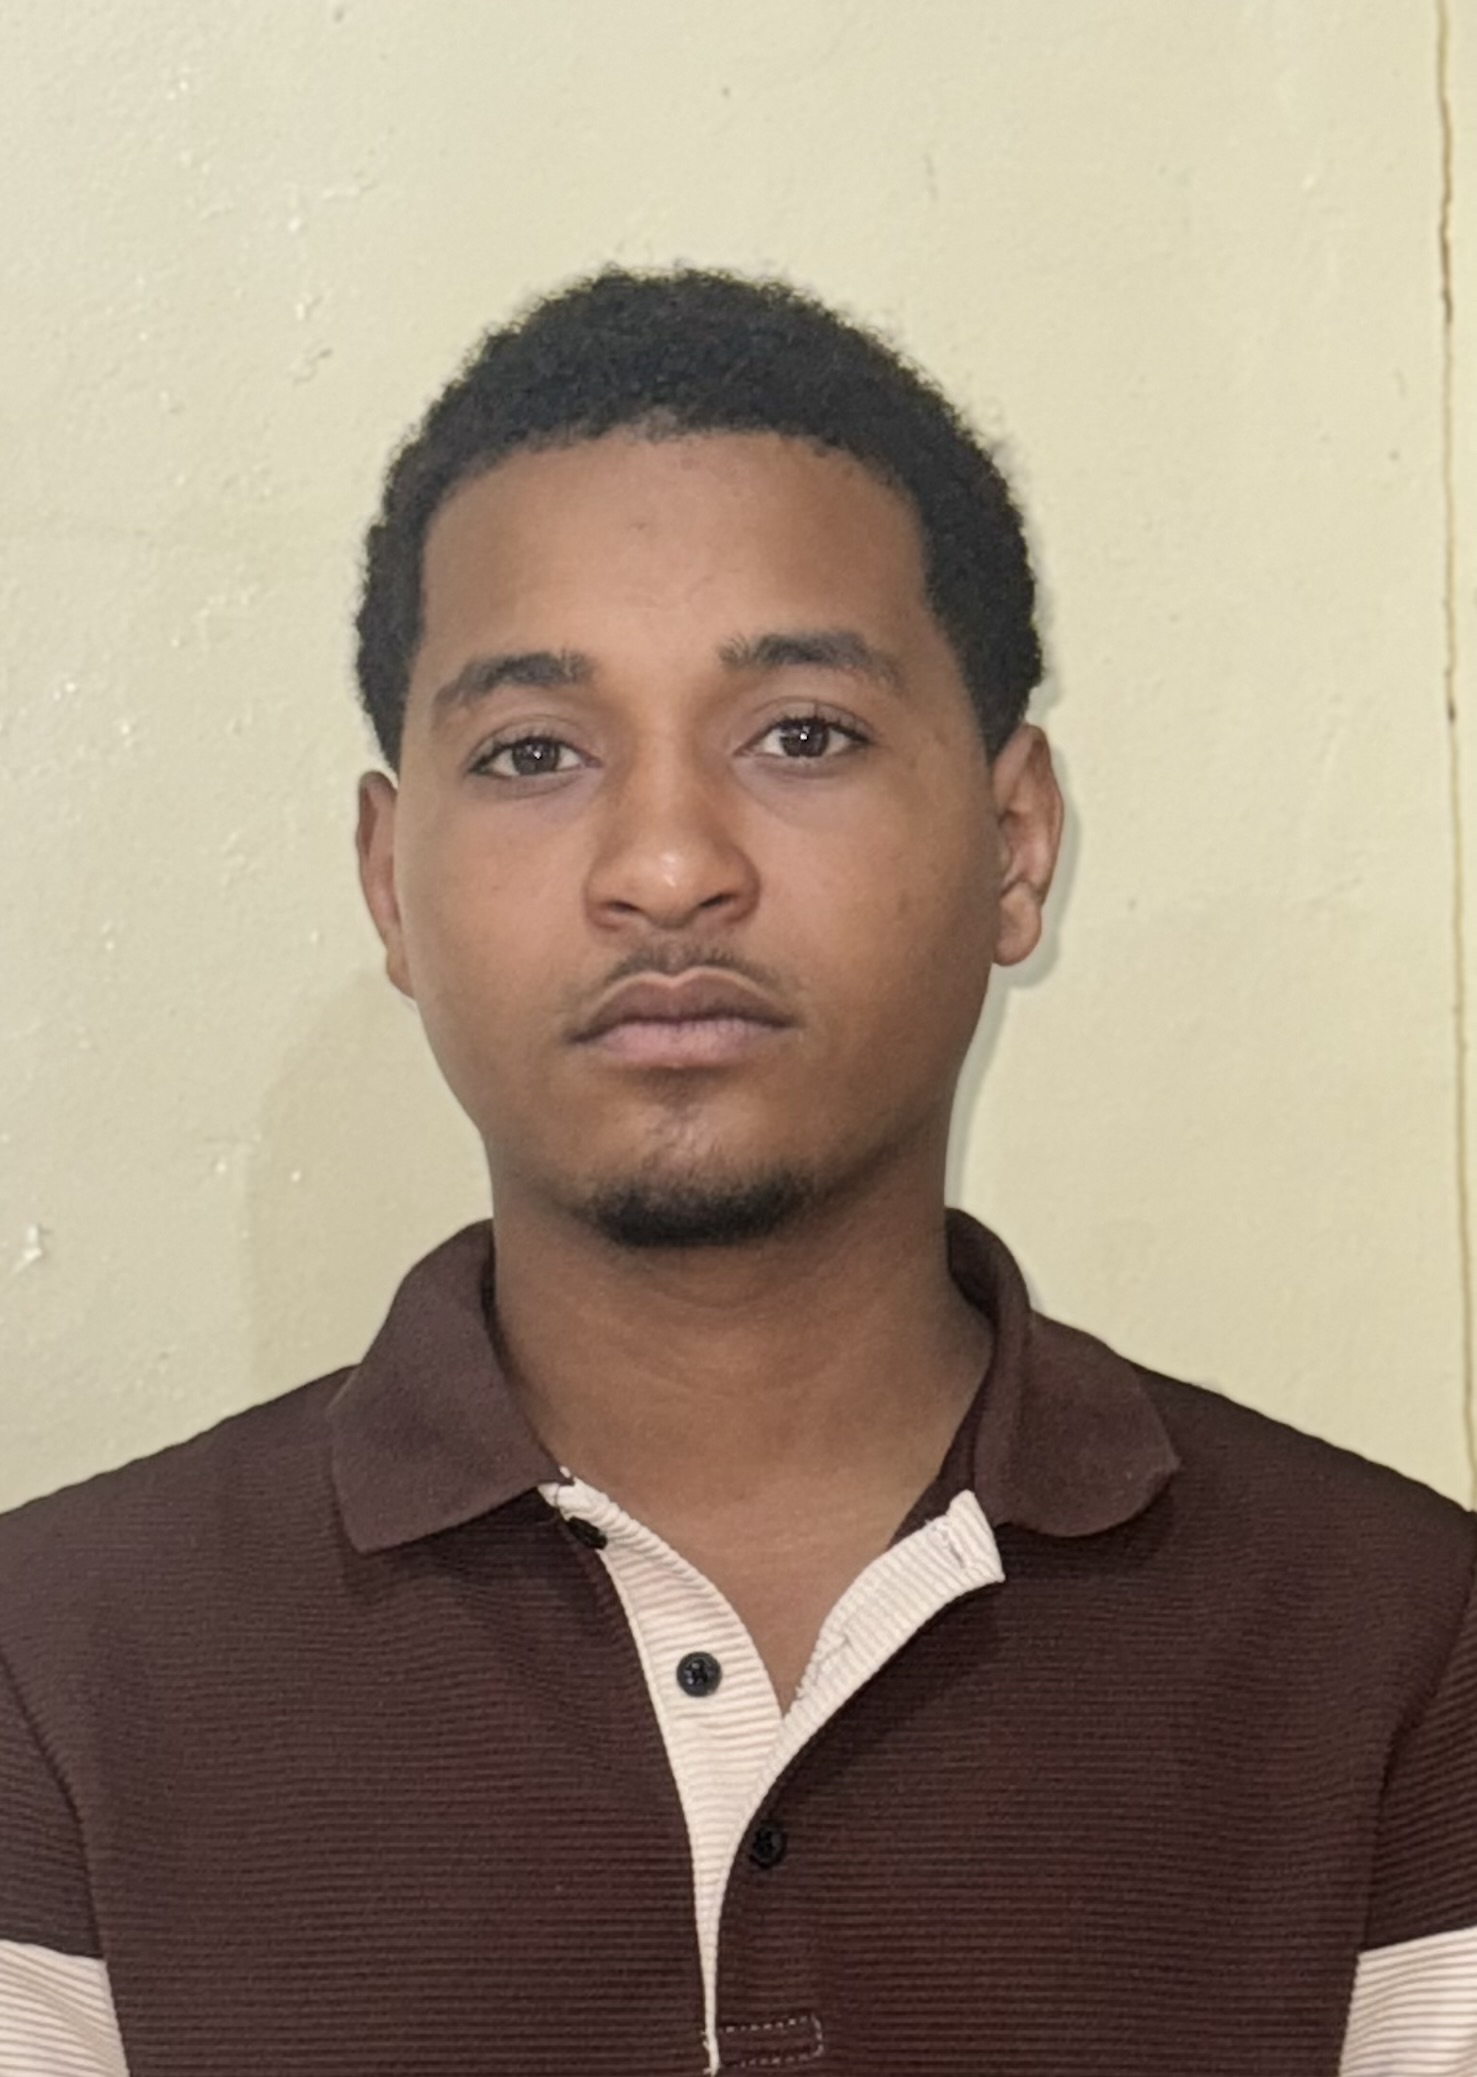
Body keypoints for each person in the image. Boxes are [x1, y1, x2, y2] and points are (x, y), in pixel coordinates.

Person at [0, 268, 1473, 2077]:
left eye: (801, 733)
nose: (667, 864)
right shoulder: (56, 1677)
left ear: (1013, 841)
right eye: (534, 751)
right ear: (391, 879)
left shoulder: (1401, 1653)